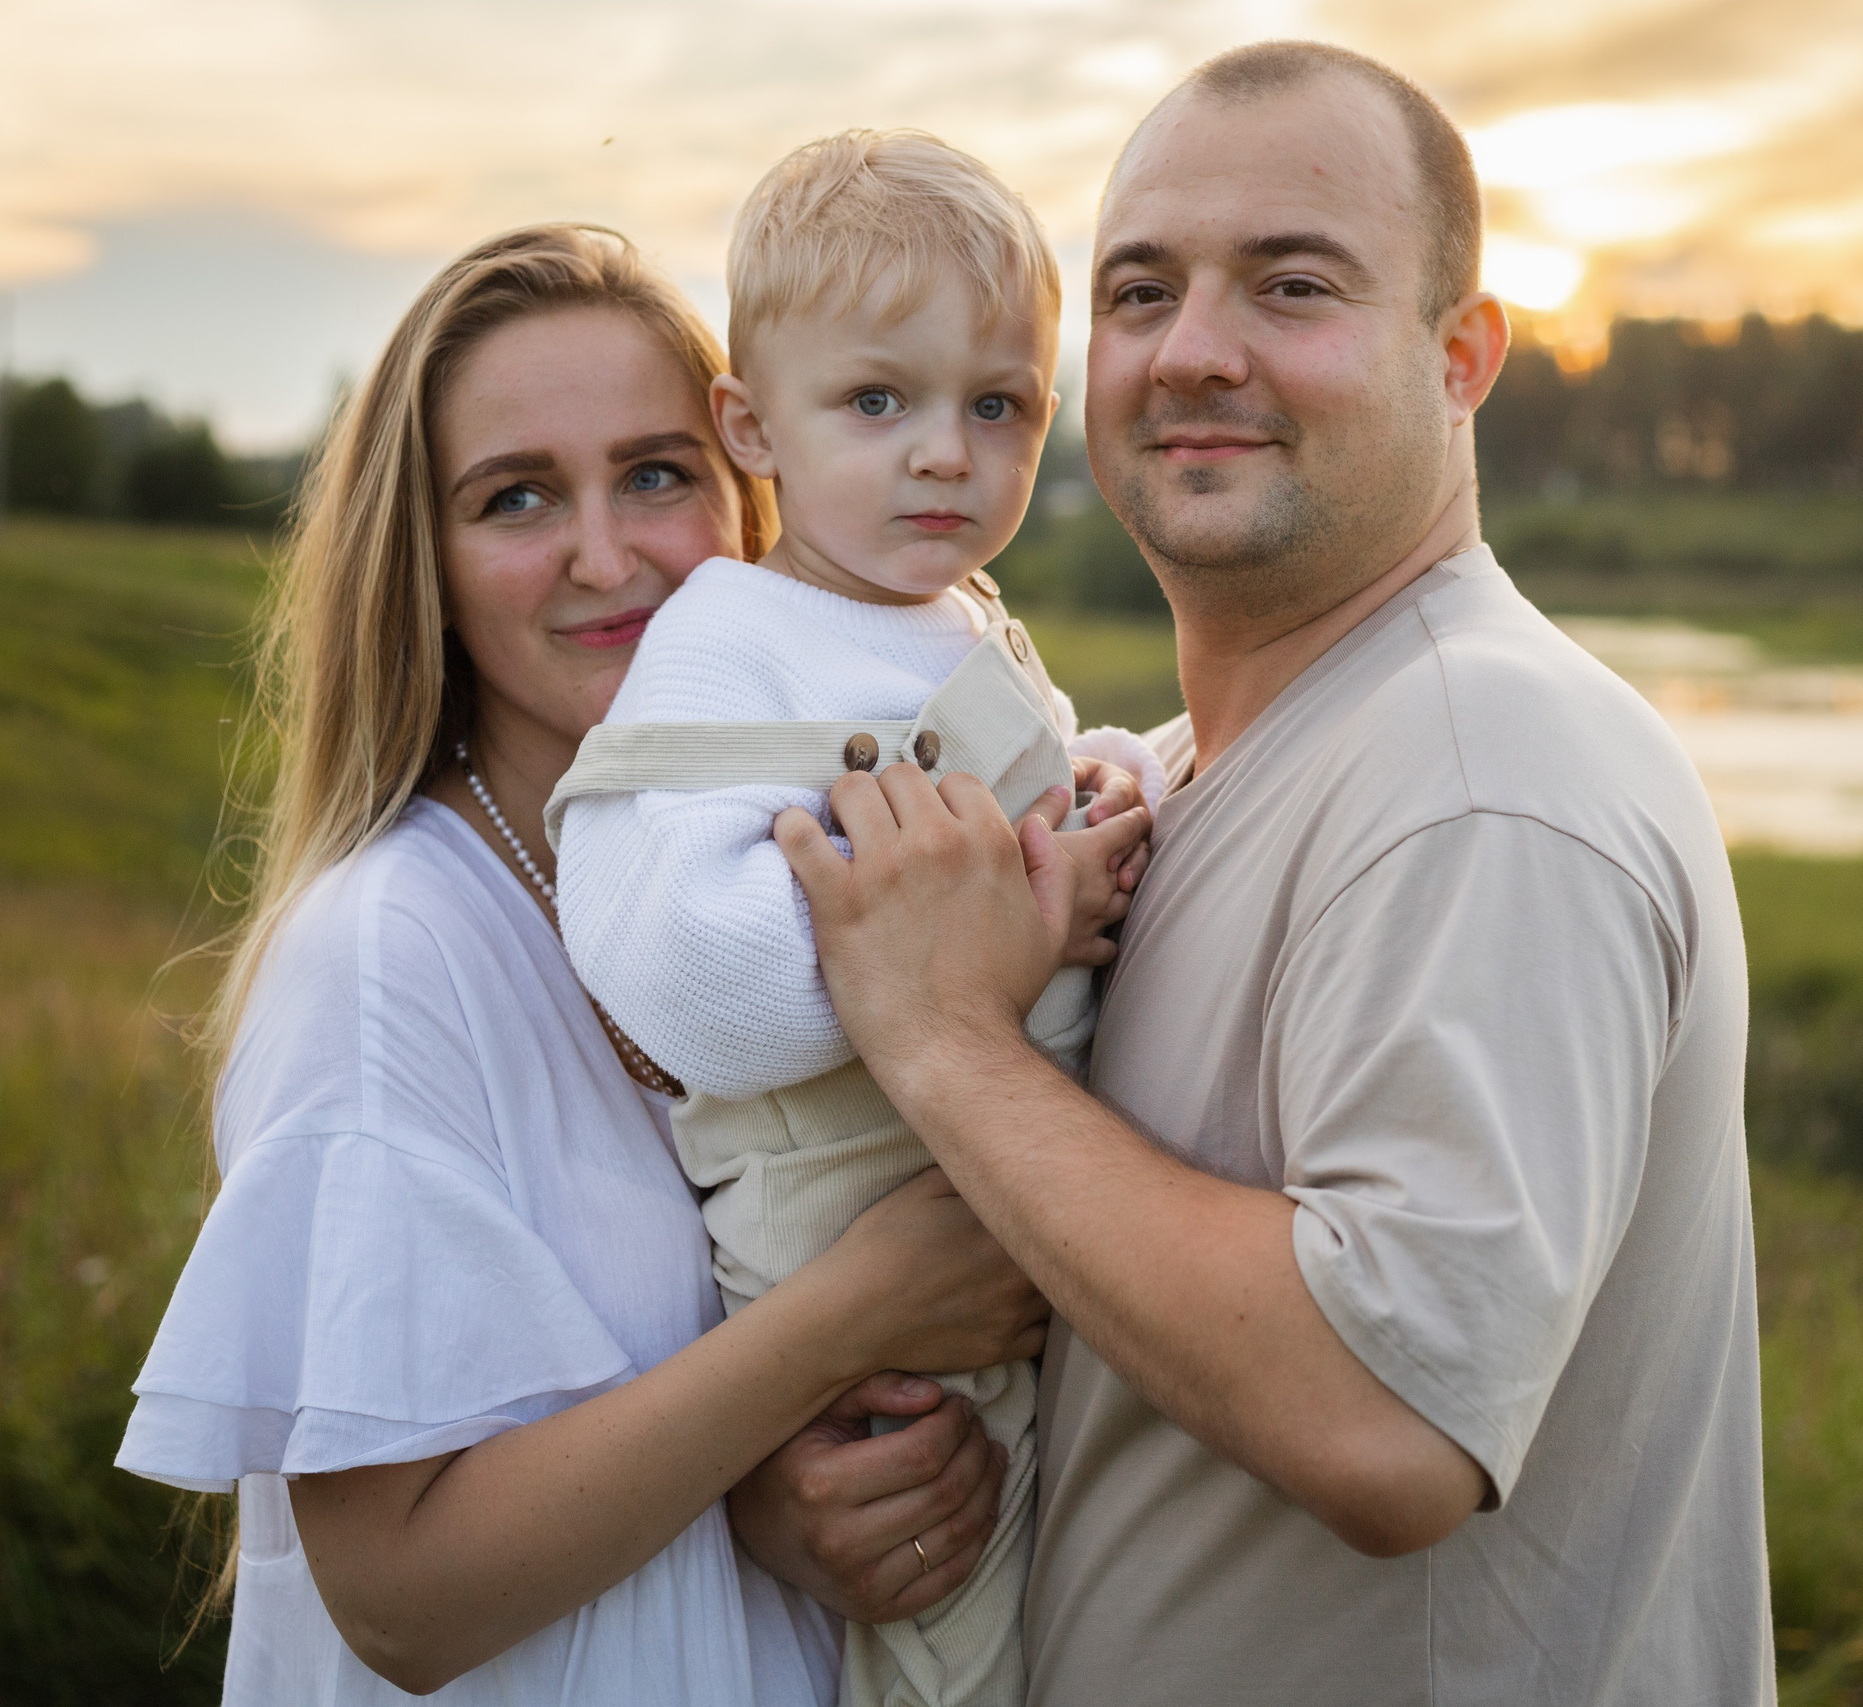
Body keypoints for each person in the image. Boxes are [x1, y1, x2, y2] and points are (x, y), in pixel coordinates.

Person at [736, 42, 1775, 1705]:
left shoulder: (1483, 772)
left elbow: (1386, 1421)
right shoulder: (1177, 773)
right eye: (1141, 293)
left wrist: (944, 1042)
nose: (1194, 351)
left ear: (1460, 356)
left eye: (1292, 286)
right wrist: (832, 1494)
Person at [113, 224, 1102, 1704]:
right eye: (516, 497)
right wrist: (857, 1312)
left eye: (654, 475)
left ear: (748, 473)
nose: (606, 554)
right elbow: (401, 1597)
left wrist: (773, 1508)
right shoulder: (390, 952)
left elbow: (649, 1426)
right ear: (427, 563)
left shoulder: (787, 864)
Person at [546, 131, 1159, 1707]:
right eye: (879, 402)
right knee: (946, 1634)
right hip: (852, 1254)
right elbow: (689, 981)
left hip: (1006, 1225)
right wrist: (1023, 920)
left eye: (998, 406)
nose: (946, 453)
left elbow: (1015, 790)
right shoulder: (727, 642)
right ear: (753, 428)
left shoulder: (960, 621)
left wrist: (1105, 781)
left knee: (1075, 1602)